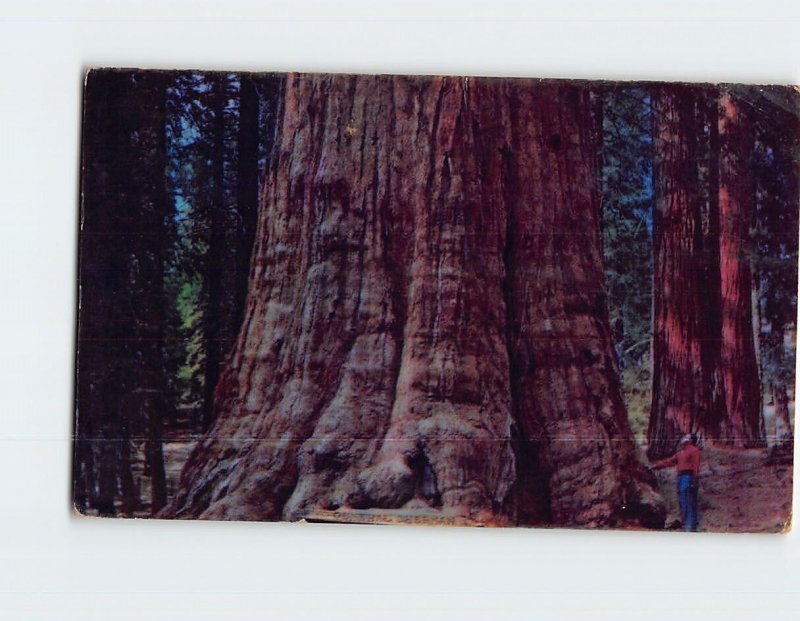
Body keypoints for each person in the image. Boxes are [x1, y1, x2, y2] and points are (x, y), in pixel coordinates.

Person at [651, 434, 702, 532]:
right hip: (681, 478)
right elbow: (669, 461)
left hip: (688, 477)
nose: (683, 438)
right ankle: (686, 524)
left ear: (691, 440)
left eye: (686, 437)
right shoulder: (681, 452)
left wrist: (695, 480)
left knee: (689, 500)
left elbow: (696, 467)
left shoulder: (694, 451)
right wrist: (656, 466)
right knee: (683, 501)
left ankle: (689, 527)